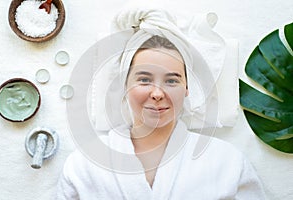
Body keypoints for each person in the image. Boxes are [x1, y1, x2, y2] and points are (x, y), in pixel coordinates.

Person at [57, 9, 266, 200]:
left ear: (187, 89)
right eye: (145, 79)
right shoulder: (83, 166)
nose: (157, 93)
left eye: (172, 80)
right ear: (125, 84)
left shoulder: (226, 162)